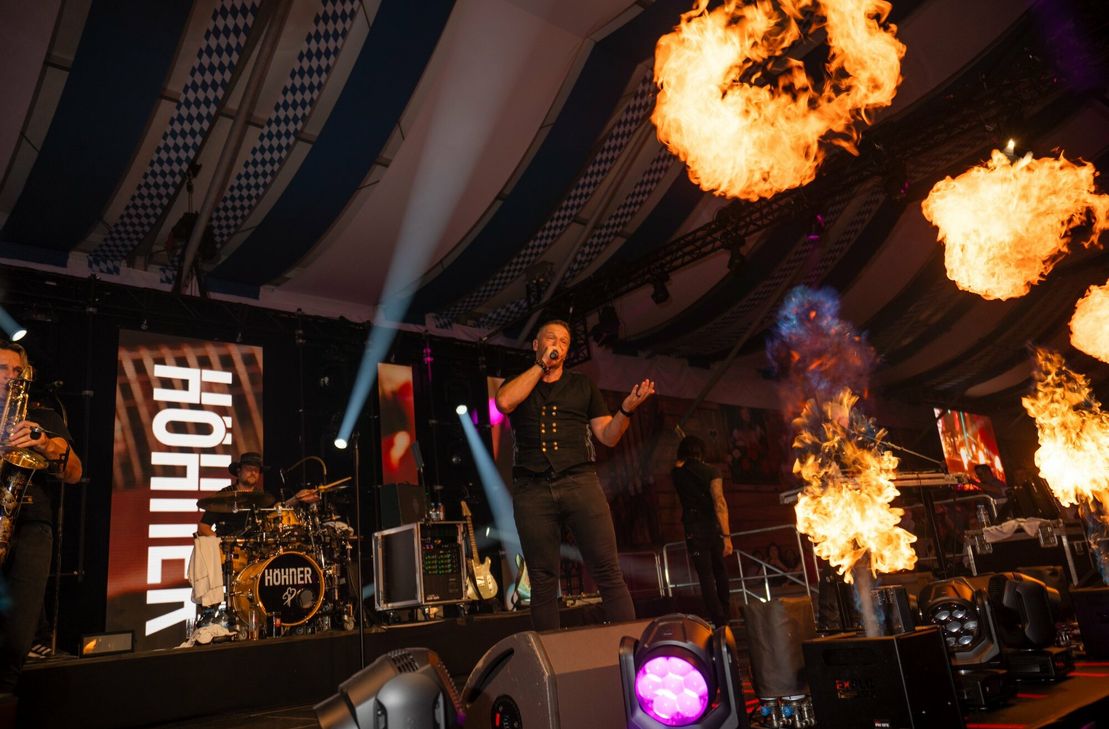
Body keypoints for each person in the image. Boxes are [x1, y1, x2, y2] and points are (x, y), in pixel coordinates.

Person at [495, 319, 654, 631]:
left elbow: (607, 436)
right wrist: (541, 366)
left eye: (565, 341)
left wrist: (626, 410)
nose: (558, 344)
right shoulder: (519, 382)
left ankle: (631, 652)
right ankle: (552, 663)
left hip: (580, 482)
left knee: (608, 570)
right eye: (551, 338)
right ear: (536, 345)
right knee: (542, 579)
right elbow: (504, 402)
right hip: (532, 489)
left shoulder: (582, 385)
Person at [0, 341, 82, 701]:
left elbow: (75, 472)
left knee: (15, 638)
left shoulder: (42, 416)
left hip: (31, 525)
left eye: (17, 371)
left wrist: (43, 442)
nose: (10, 377)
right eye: (3, 369)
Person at [671, 435, 733, 627]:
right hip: (712, 527)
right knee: (720, 571)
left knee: (705, 576)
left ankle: (718, 620)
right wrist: (727, 536)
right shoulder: (712, 472)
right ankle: (726, 613)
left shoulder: (677, 473)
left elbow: (679, 463)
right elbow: (719, 503)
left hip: (693, 529)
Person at [197, 452, 317, 537]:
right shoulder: (224, 496)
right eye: (249, 468)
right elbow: (203, 527)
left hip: (255, 551)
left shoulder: (262, 496)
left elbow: (278, 508)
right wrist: (219, 544)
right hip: (229, 553)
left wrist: (297, 497)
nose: (253, 472)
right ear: (238, 471)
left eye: (256, 470)